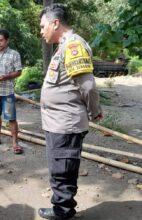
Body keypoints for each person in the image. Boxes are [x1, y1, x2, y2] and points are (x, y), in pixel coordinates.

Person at [38, 4, 102, 220]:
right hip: (58, 123)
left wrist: (95, 111)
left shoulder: (73, 45)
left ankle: (63, 213)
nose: (41, 31)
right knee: (59, 169)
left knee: (62, 170)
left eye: (43, 26)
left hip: (65, 124)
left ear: (55, 23)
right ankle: (61, 209)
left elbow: (88, 86)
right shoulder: (63, 46)